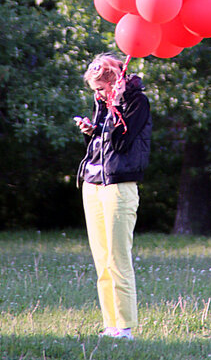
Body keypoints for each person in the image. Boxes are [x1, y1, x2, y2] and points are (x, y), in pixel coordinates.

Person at [76, 52, 152, 340]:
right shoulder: (103, 103)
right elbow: (100, 145)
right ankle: (110, 325)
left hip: (120, 185)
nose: (97, 94)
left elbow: (121, 142)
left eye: (99, 88)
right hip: (93, 182)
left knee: (118, 259)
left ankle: (125, 327)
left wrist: (117, 104)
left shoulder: (137, 102)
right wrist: (90, 130)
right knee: (102, 260)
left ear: (112, 82)